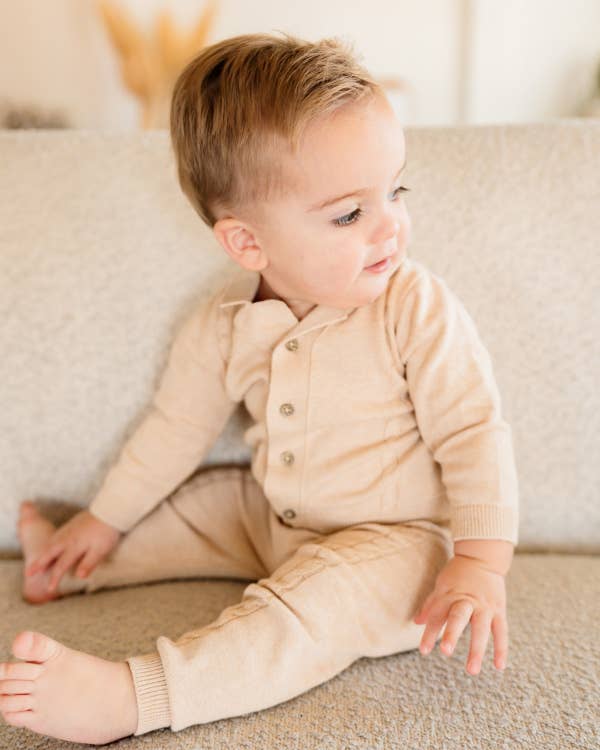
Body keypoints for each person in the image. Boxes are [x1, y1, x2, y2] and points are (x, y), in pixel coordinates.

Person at [0, 31, 519, 745]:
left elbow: (474, 431)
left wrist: (480, 563)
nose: (391, 227)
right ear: (247, 243)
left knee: (309, 609)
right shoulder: (222, 323)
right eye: (350, 214)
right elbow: (174, 430)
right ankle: (69, 561)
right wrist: (104, 518)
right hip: (275, 521)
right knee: (194, 507)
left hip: (401, 551)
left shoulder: (414, 306)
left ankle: (134, 696)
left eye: (395, 191)